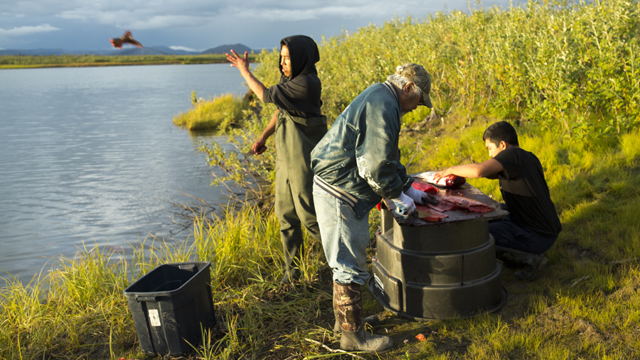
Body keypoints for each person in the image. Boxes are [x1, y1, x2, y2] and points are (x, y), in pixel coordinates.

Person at [311, 63, 434, 353]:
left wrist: (407, 187)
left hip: (342, 185)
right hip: (339, 190)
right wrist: (395, 196)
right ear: (407, 88)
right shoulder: (383, 104)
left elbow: (387, 157)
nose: (418, 107)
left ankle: (347, 322)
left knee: (346, 259)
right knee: (348, 265)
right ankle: (353, 338)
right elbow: (376, 166)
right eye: (419, 100)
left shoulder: (384, 98)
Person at [226, 35, 327, 283]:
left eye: (287, 58)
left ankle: (344, 263)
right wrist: (263, 138)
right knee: (286, 217)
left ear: (301, 58)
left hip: (303, 159)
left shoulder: (306, 83)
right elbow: (281, 110)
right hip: (285, 159)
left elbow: (265, 95)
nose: (282, 63)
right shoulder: (291, 81)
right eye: (280, 58)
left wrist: (244, 71)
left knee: (310, 217)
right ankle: (292, 274)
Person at [433, 121, 562, 281]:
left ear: (502, 144)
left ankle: (530, 259)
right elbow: (488, 171)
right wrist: (461, 174)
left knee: (479, 234)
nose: (489, 155)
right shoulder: (526, 157)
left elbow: (479, 170)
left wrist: (451, 169)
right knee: (489, 212)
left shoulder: (512, 155)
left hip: (536, 235)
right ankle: (516, 253)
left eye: (490, 149)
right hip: (545, 229)